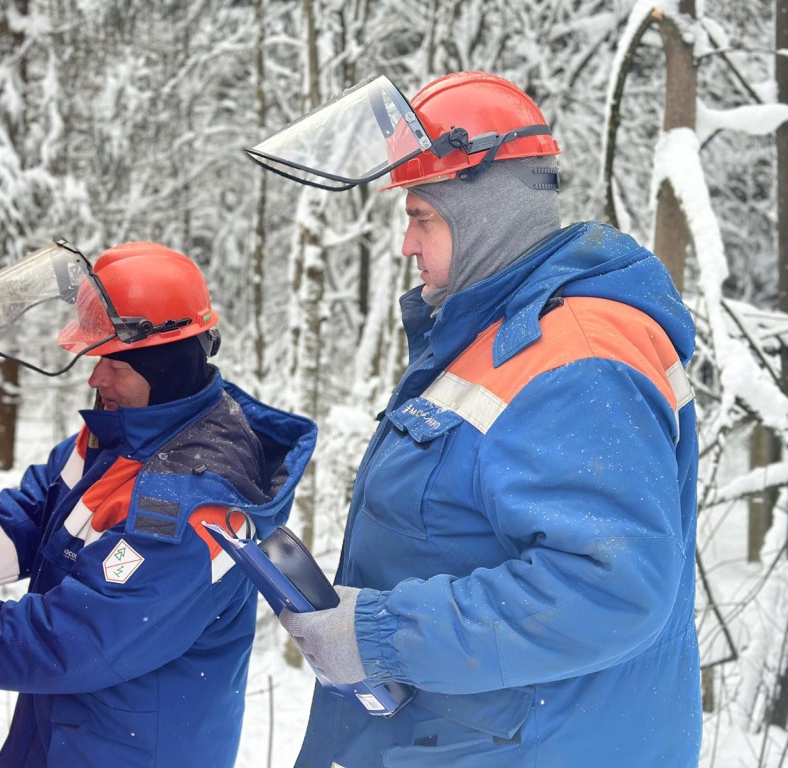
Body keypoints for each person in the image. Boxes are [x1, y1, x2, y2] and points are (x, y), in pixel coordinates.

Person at [251, 72, 701, 765]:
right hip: (458, 736)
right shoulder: (494, 334)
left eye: (420, 216)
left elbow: (609, 586)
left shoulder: (577, 357)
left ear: (484, 214)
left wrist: (378, 635)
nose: (406, 244)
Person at [0, 240, 316, 768]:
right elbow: (27, 518)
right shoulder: (124, 436)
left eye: (114, 364)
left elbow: (71, 640)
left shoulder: (191, 504)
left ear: (165, 365)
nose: (95, 379)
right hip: (63, 737)